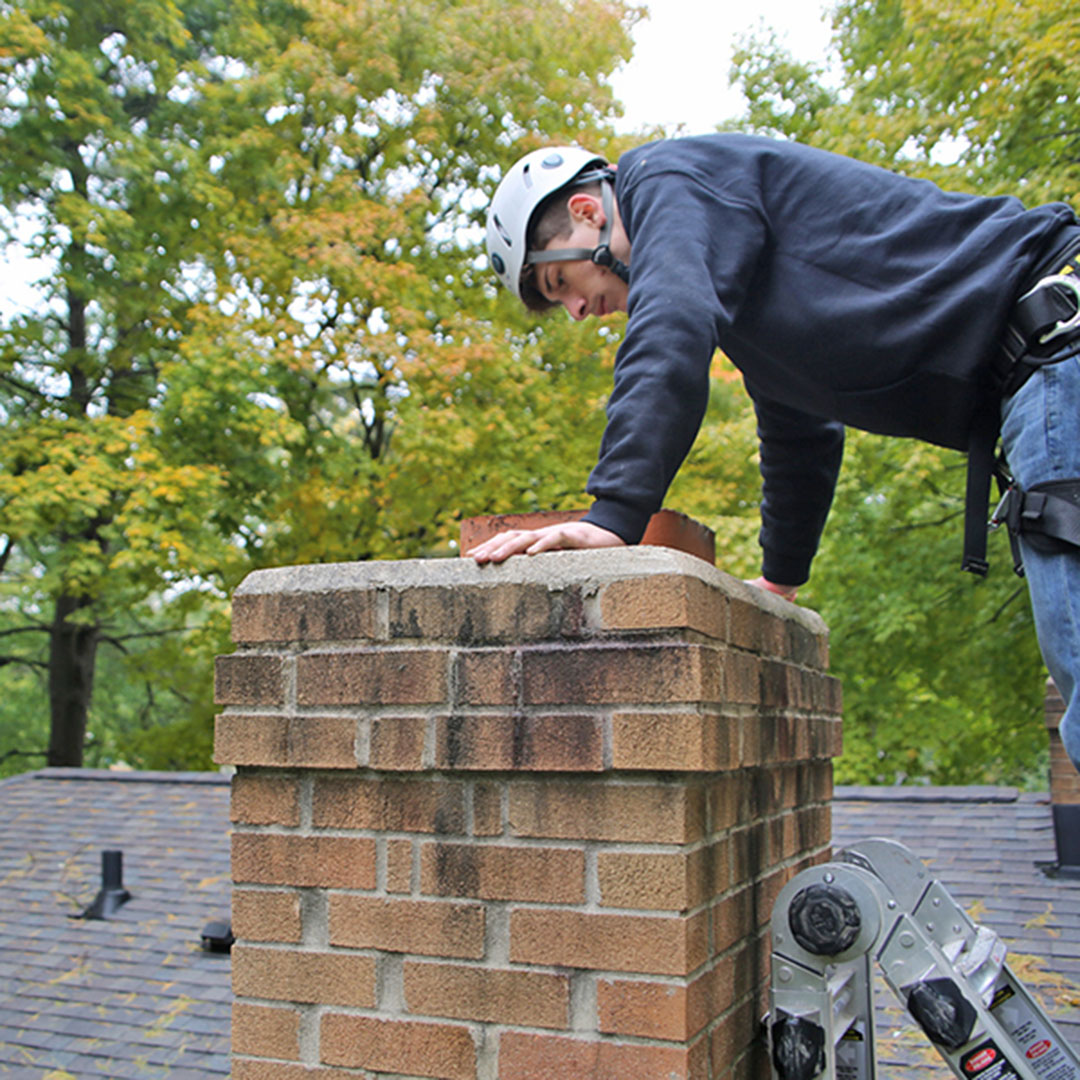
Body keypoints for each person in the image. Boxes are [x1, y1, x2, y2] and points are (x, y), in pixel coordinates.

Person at [467, 134, 1080, 772]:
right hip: (1043, 370)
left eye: (560, 280)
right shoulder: (750, 292)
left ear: (589, 211)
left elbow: (671, 321)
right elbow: (800, 430)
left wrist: (611, 517)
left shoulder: (664, 178)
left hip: (1057, 339)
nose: (574, 311)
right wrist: (781, 576)